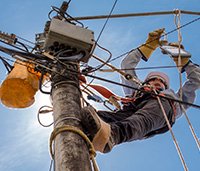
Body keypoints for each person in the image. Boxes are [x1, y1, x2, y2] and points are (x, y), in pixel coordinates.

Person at [80, 28, 200, 153]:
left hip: (157, 112)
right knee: (100, 117)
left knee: (140, 120)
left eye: (161, 81)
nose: (157, 80)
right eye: (153, 79)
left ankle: (112, 136)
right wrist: (148, 47)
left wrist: (185, 62)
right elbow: (126, 66)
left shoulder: (175, 100)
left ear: (166, 87)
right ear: (146, 82)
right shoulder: (136, 92)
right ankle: (84, 132)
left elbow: (196, 81)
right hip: (131, 111)